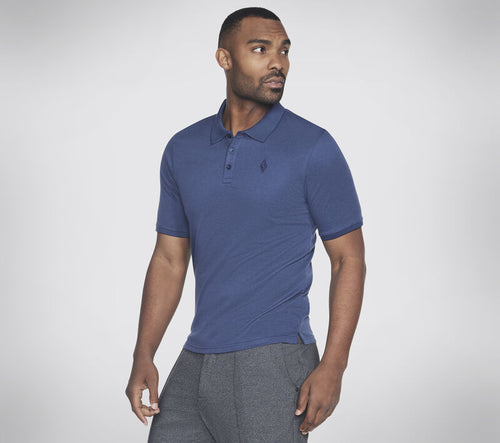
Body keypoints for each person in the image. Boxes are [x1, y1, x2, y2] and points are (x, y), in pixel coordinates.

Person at [125, 6, 366, 442]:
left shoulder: (313, 147)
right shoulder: (183, 148)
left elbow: (348, 259)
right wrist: (144, 352)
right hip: (196, 356)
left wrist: (334, 365)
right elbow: (169, 259)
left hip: (273, 360)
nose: (278, 63)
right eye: (260, 49)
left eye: (284, 50)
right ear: (225, 58)